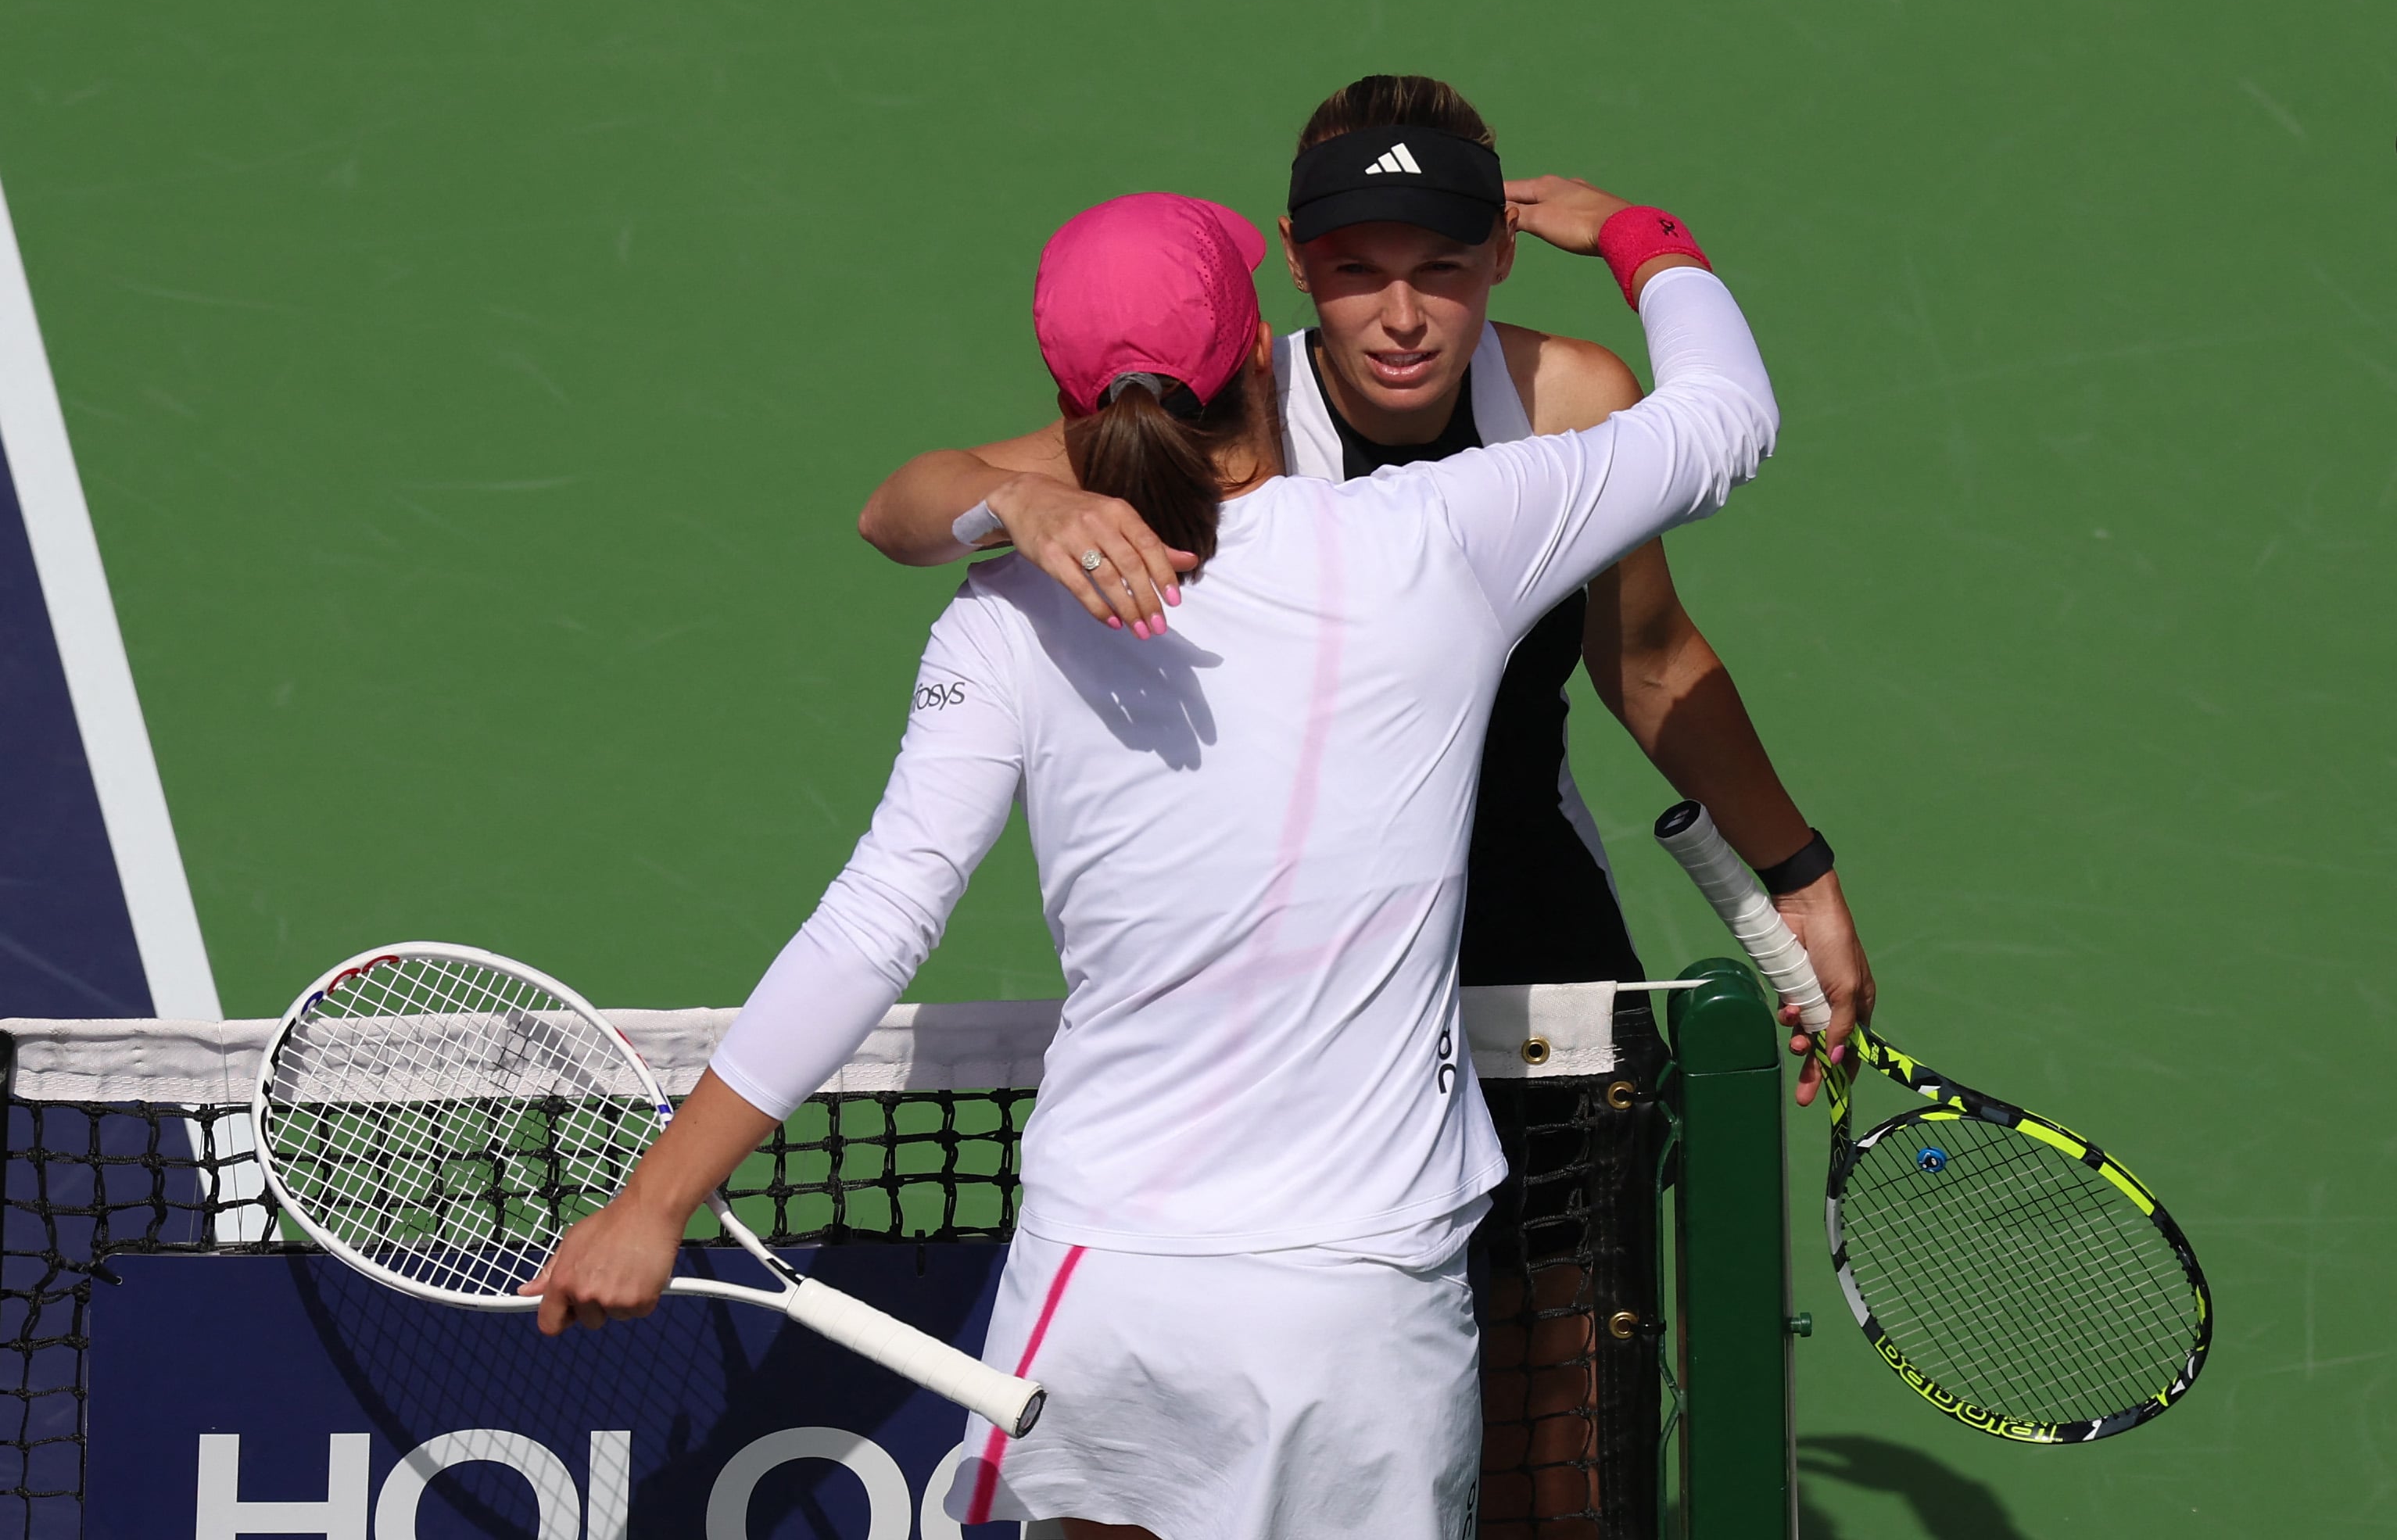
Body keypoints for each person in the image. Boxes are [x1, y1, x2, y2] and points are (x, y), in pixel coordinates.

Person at [528, 172, 1779, 1540]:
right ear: (1260, 348)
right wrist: (1638, 240)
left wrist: (657, 1199)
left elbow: (877, 917)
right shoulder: (1444, 537)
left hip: (1107, 1290)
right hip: (1357, 1306)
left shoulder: (1002, 614)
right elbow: (1725, 420)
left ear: (1067, 406)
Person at [854, 74, 1871, 1530]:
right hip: (1294, 1015)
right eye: (1357, 274)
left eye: (1441, 270)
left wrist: (1794, 876)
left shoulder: (1567, 400)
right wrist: (1018, 499)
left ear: (1497, 260)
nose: (1401, 316)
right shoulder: (1212, 423)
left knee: (1554, 1440)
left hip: (1529, 958)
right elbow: (903, 507)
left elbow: (1643, 658)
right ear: (1292, 262)